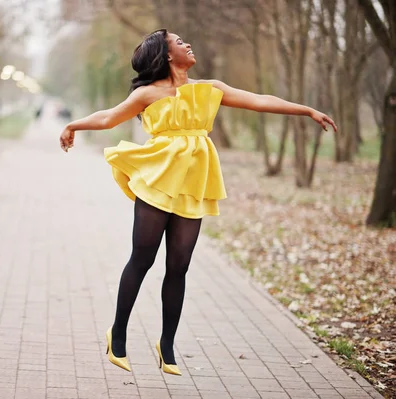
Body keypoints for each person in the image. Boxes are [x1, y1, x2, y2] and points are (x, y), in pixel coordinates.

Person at [59, 29, 337, 376]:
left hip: (194, 182)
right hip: (159, 177)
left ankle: (167, 343)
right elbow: (107, 117)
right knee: (143, 258)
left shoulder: (211, 89)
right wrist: (74, 125)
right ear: (165, 54)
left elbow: (259, 99)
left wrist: (306, 110)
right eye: (178, 41)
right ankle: (118, 334)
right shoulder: (148, 94)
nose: (187, 43)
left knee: (179, 265)